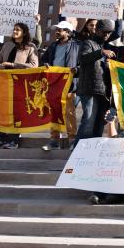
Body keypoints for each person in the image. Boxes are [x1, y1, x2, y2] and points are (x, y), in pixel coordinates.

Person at [0, 22, 40, 149]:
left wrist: (14, 65)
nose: (15, 31)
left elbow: (34, 65)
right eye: (14, 29)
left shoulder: (30, 47)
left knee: (17, 112)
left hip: (19, 84)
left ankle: (13, 140)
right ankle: (0, 139)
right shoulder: (7, 45)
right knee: (1, 111)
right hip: (3, 83)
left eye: (18, 30)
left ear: (24, 32)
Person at [38, 21, 81, 151]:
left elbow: (82, 64)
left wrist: (76, 70)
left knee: (69, 113)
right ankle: (54, 140)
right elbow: (43, 61)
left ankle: (72, 140)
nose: (57, 32)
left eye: (60, 30)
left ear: (68, 32)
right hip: (53, 84)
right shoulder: (52, 46)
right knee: (54, 113)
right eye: (56, 29)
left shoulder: (77, 46)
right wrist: (45, 65)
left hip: (69, 85)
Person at [75, 19, 117, 147]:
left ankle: (92, 153)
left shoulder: (107, 46)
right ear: (97, 30)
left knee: (99, 123)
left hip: (104, 92)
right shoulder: (88, 43)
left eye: (109, 32)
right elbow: (82, 59)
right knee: (88, 121)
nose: (106, 35)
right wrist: (101, 53)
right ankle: (77, 152)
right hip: (89, 89)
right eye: (104, 32)